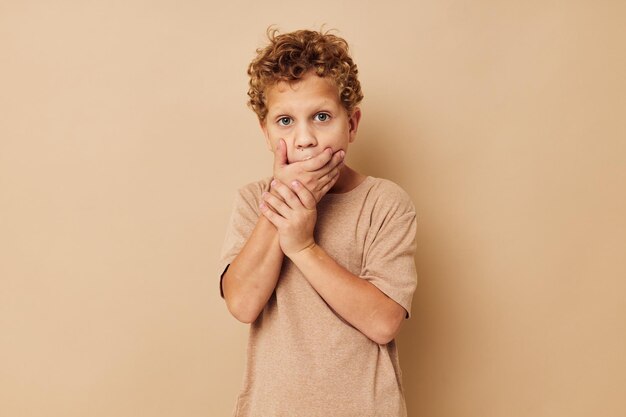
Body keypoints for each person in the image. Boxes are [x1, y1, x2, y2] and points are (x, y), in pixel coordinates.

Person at [219, 28, 418, 417]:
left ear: (352, 124)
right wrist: (280, 206)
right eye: (285, 121)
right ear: (266, 132)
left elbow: (383, 323)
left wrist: (303, 246)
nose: (305, 138)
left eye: (322, 117)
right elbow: (242, 304)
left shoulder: (384, 203)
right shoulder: (251, 201)